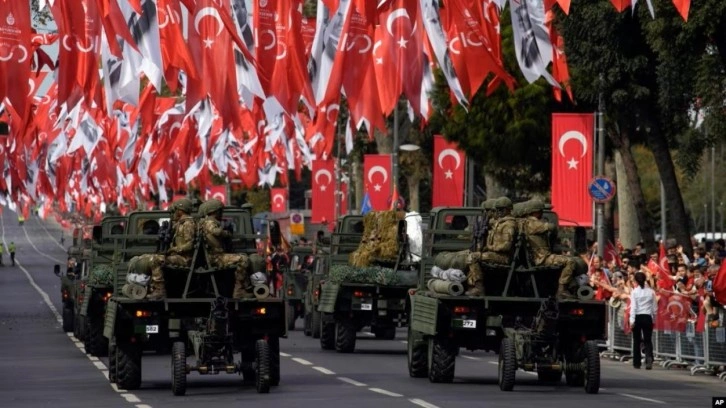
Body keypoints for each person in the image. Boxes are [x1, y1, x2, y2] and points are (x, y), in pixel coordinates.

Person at [521, 199, 577, 299]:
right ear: (536, 212)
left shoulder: (524, 223)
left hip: (537, 257)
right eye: (541, 211)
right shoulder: (534, 224)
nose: (542, 213)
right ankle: (562, 290)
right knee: (570, 261)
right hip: (542, 258)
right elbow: (551, 226)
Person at [199, 199, 252, 299]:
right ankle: (240, 291)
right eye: (220, 211)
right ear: (215, 211)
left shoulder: (205, 222)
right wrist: (226, 233)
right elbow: (215, 231)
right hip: (216, 257)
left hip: (213, 257)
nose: (221, 213)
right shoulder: (209, 222)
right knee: (243, 259)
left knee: (241, 256)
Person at [630, 271, 657, 370]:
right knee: (648, 340)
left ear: (636, 281)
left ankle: (637, 362)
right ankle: (649, 358)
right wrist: (654, 318)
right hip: (647, 316)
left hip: (637, 317)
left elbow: (633, 307)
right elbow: (654, 307)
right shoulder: (651, 292)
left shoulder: (634, 292)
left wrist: (632, 320)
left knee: (636, 340)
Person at [165, 198, 197, 269]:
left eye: (176, 209)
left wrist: (174, 249)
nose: (175, 212)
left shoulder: (188, 223)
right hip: (178, 256)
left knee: (156, 260)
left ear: (181, 211)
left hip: (185, 259)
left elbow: (190, 245)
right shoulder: (181, 223)